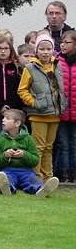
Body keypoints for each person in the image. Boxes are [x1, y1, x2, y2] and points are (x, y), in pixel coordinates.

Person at [18, 35, 67, 180]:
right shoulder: (30, 68)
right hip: (39, 114)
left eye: (49, 49)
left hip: (55, 113)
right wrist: (34, 102)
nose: (45, 52)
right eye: (42, 49)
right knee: (38, 147)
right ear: (36, 50)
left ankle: (48, 176)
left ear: (53, 50)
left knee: (49, 147)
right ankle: (35, 176)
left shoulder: (57, 65)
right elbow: (22, 90)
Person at [0, 109, 59, 197]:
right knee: (6, 179)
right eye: (3, 117)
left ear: (17, 123)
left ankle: (41, 189)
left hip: (26, 171)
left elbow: (35, 160)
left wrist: (24, 155)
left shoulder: (28, 139)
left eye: (7, 118)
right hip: (8, 170)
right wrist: (5, 156)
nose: (3, 120)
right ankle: (7, 188)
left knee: (34, 180)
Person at [0, 37, 23, 139]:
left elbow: (19, 88)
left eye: (6, 48)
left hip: (14, 109)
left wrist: (11, 107)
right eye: (0, 48)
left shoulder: (16, 67)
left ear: (11, 50)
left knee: (13, 137)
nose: (3, 51)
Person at [55, 30, 76, 182]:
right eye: (61, 42)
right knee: (63, 143)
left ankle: (73, 172)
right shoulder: (56, 61)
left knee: (74, 143)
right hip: (61, 111)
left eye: (66, 42)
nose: (62, 45)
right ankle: (63, 172)